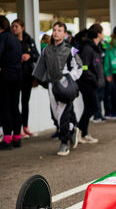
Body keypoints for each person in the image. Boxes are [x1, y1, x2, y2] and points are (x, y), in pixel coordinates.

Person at [33, 21, 83, 156]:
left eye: (59, 30)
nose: (56, 32)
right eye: (54, 30)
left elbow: (79, 67)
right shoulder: (46, 50)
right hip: (52, 86)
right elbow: (40, 69)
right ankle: (72, 130)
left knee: (63, 114)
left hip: (65, 87)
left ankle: (63, 143)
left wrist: (68, 79)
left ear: (65, 34)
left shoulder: (71, 50)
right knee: (56, 116)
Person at [0, 15, 23, 150]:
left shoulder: (1, 37)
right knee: (15, 107)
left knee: (5, 108)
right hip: (17, 75)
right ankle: (17, 138)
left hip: (6, 76)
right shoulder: (15, 39)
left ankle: (7, 140)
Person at [77, 23, 105, 144]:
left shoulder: (95, 47)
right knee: (94, 107)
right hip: (86, 83)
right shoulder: (87, 48)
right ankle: (77, 130)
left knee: (89, 107)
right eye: (102, 32)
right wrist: (94, 79)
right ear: (98, 34)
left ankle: (84, 133)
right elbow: (84, 67)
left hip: (91, 83)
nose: (103, 34)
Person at [11, 19, 39, 137]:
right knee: (15, 103)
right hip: (16, 75)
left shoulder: (29, 39)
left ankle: (25, 126)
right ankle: (17, 129)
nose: (14, 28)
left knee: (25, 102)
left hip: (27, 75)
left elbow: (37, 55)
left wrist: (29, 56)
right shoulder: (11, 40)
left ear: (22, 27)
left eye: (16, 26)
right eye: (13, 26)